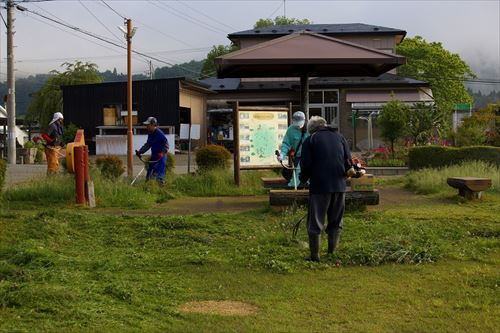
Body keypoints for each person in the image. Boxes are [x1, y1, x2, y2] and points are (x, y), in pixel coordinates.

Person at [299, 116, 351, 262]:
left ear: (311, 129)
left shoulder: (311, 140)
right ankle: (332, 253)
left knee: (315, 221)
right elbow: (349, 161)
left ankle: (315, 256)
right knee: (336, 220)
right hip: (340, 185)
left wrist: (303, 179)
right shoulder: (340, 137)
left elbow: (306, 164)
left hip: (320, 186)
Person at [278, 111, 309, 187]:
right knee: (296, 179)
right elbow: (286, 143)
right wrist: (282, 154)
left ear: (304, 120)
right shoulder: (291, 129)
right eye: (296, 122)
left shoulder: (310, 128)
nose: (298, 125)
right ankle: (294, 192)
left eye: (300, 123)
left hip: (310, 158)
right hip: (298, 158)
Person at [135, 117, 169, 184]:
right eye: (146, 125)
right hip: (154, 156)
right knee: (149, 176)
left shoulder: (160, 134)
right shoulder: (150, 134)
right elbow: (148, 144)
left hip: (160, 157)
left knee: (159, 177)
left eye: (148, 125)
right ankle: (148, 186)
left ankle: (160, 189)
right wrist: (140, 151)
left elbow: (166, 145)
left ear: (153, 125)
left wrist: (162, 152)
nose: (146, 126)